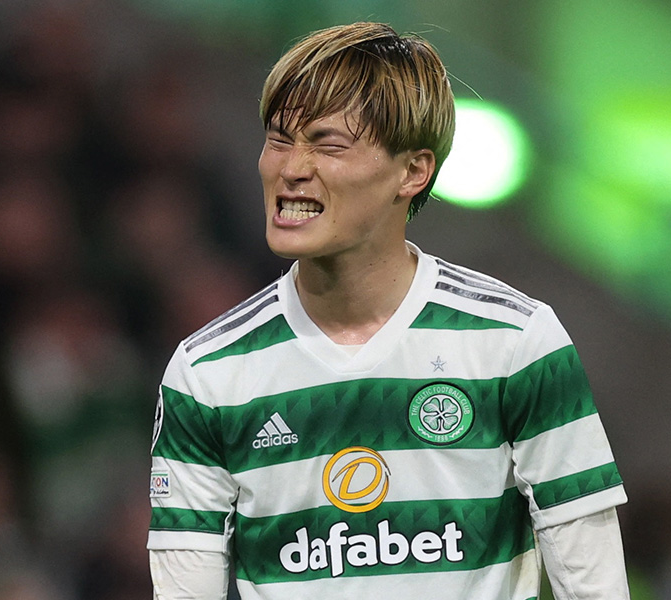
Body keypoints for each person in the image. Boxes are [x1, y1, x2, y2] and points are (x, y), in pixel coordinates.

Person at [147, 22, 630, 600]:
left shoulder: (516, 342)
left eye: (328, 145)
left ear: (413, 171)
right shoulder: (207, 373)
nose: (291, 168)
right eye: (279, 140)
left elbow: (595, 588)